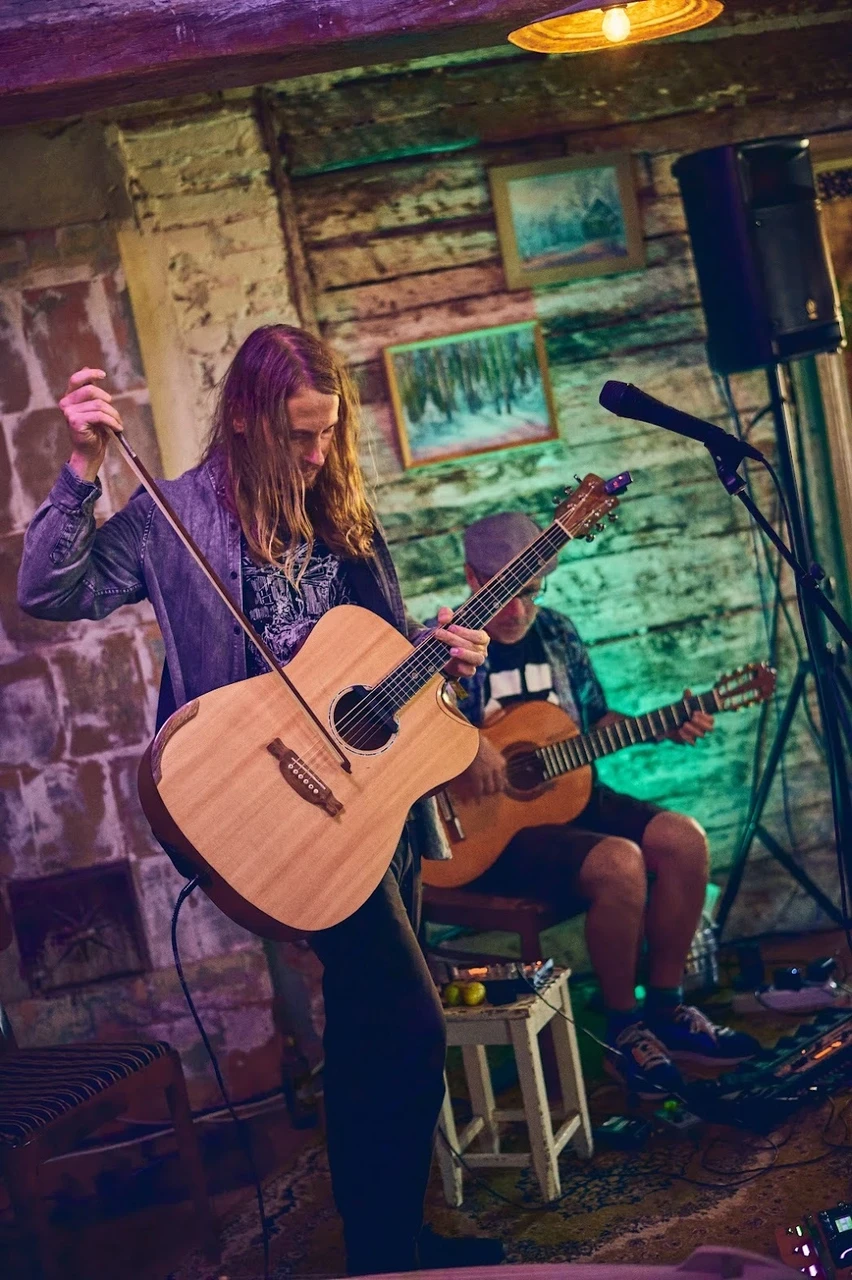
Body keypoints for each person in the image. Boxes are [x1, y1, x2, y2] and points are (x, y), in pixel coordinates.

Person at [17, 325, 504, 1276]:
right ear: (244, 417)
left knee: (365, 1032)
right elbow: (49, 591)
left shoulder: (342, 512)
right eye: (300, 434)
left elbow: (382, 665)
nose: (319, 454)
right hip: (277, 809)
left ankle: (388, 1245)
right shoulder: (173, 519)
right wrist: (81, 468)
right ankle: (390, 1248)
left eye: (329, 432)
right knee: (411, 1024)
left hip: (376, 800)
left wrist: (447, 660)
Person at [452, 511, 760, 1100]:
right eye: (500, 592)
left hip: (570, 795)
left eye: (530, 591)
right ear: (471, 577)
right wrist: (468, 747)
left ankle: (667, 1008)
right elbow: (414, 739)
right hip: (490, 829)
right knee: (619, 862)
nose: (516, 609)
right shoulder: (451, 648)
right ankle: (625, 1031)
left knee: (684, 839)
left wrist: (661, 724)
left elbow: (593, 722)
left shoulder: (558, 633)